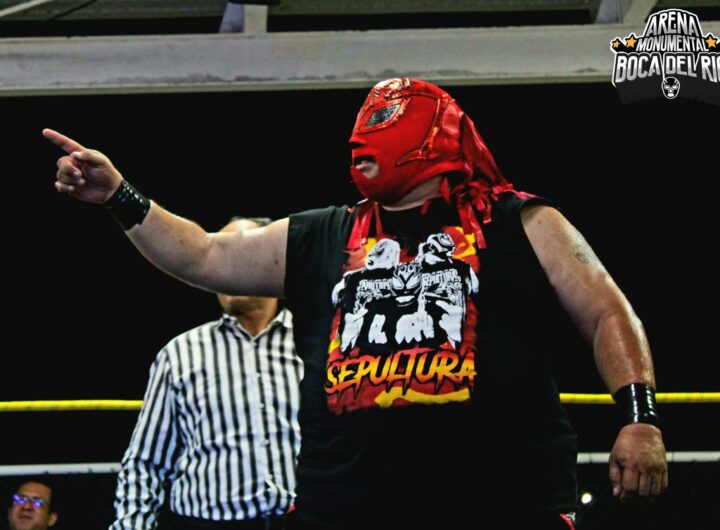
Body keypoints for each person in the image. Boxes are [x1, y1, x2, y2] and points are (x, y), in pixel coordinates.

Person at [45, 78, 667, 529]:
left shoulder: (521, 221)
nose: (361, 137)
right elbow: (202, 255)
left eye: (384, 118)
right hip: (345, 510)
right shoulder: (323, 233)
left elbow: (608, 313)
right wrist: (119, 195)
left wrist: (640, 417)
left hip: (504, 506)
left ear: (434, 134)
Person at [109, 217, 302, 530]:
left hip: (307, 519)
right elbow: (145, 462)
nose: (228, 266)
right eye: (220, 255)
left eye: (241, 253)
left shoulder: (318, 342)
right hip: (207, 522)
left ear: (275, 262)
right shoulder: (180, 353)